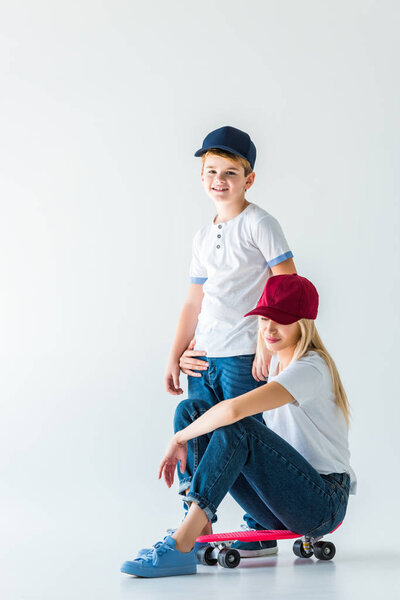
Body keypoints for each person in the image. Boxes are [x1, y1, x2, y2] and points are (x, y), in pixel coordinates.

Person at [121, 274, 357, 578]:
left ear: (304, 322)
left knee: (238, 427)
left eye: (281, 321)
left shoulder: (310, 368)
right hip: (281, 504)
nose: (269, 329)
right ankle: (198, 531)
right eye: (264, 319)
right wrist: (183, 358)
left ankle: (181, 543)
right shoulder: (273, 366)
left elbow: (233, 410)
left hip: (322, 503)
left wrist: (179, 438)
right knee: (191, 410)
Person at [163, 125, 297, 555]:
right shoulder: (202, 236)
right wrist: (174, 354)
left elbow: (287, 285)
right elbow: (192, 303)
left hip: (243, 355)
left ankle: (262, 525)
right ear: (202, 176)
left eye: (230, 173)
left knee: (244, 435)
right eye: (211, 171)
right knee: (199, 430)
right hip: (204, 355)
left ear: (249, 179)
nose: (219, 181)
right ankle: (198, 523)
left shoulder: (260, 223)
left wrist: (266, 341)